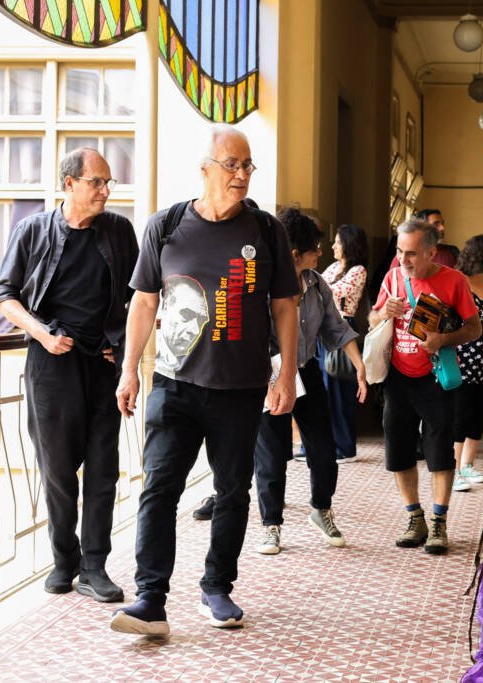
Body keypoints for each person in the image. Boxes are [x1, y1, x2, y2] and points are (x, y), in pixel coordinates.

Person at [110, 124, 300, 635]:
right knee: (158, 488)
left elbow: (285, 307)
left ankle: (217, 587)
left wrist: (287, 374)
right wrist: (129, 367)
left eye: (247, 166)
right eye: (231, 165)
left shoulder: (265, 231)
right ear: (205, 169)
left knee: (233, 490)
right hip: (173, 384)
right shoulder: (166, 225)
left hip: (240, 387)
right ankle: (150, 598)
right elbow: (144, 301)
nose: (241, 175)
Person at [0, 147, 139, 602]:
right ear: (69, 183)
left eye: (109, 182)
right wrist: (40, 333)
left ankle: (94, 566)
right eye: (97, 182)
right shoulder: (32, 230)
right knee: (57, 468)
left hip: (103, 365)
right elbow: (4, 295)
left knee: (102, 468)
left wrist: (127, 349)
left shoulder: (118, 230)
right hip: (50, 364)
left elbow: (142, 294)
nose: (106, 191)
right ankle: (64, 559)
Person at [253, 208, 367, 555]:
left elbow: (337, 328)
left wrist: (359, 365)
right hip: (270, 373)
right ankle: (271, 525)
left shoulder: (318, 285)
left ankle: (322, 509)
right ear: (293, 255)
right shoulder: (263, 286)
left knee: (322, 450)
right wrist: (269, 381)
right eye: (314, 248)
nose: (321, 252)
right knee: (271, 454)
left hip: (307, 370)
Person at [369, 219, 481, 555]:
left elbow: (474, 328)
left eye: (412, 254)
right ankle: (414, 518)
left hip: (435, 378)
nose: (403, 259)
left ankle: (438, 523)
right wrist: (381, 314)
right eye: (400, 252)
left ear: (432, 252)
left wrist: (444, 339)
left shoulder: (453, 282)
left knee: (439, 451)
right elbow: (372, 320)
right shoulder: (392, 278)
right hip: (398, 378)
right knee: (398, 451)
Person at [450, 235, 483, 492]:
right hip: (464, 360)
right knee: (460, 417)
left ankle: (468, 464)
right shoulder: (461, 284)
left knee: (477, 415)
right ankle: (455, 468)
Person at [319, 223, 370, 463]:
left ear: (349, 244)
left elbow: (327, 291)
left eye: (338, 242)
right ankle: (326, 444)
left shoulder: (358, 270)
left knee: (340, 389)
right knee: (325, 390)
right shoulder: (332, 266)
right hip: (324, 330)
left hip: (343, 330)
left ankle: (345, 446)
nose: (333, 246)